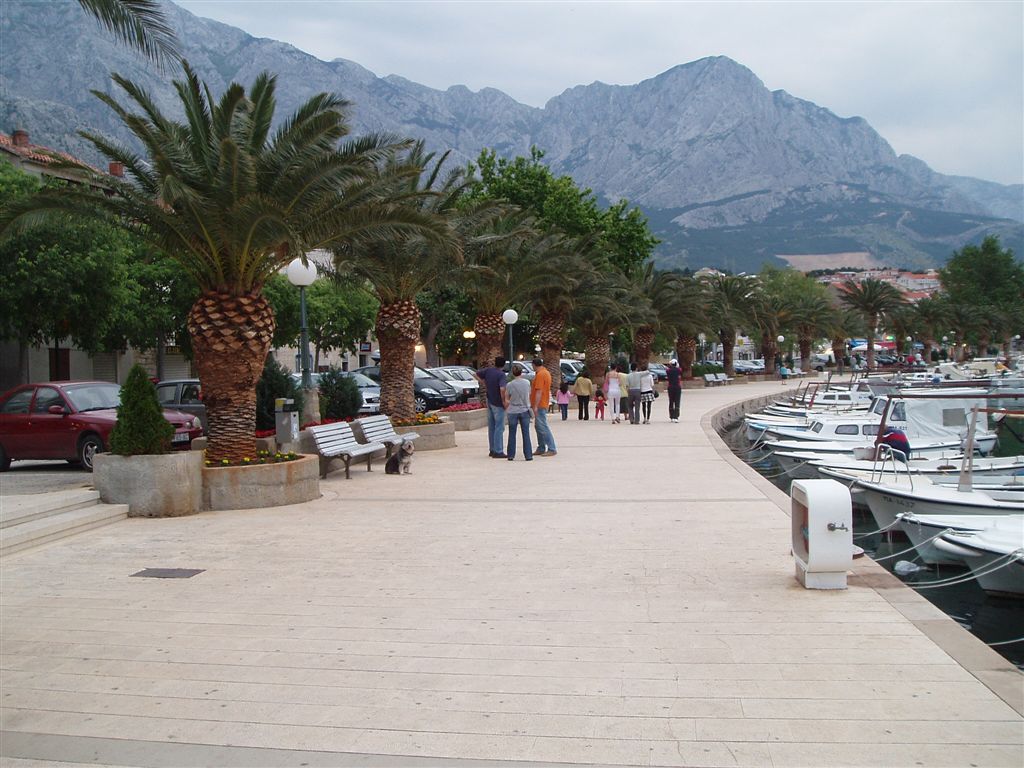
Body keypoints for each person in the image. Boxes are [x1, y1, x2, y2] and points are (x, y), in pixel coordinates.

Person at [476, 355, 508, 458]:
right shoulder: (501, 375)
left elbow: (475, 374)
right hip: (498, 402)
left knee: (492, 426)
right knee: (499, 427)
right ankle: (498, 450)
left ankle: (492, 449)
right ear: (503, 365)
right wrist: (504, 401)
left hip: (489, 399)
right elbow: (502, 389)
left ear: (495, 363)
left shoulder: (488, 371)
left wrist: (483, 382)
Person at [503, 363, 534, 461]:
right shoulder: (527, 383)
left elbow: (506, 398)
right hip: (524, 409)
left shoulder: (510, 385)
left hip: (513, 410)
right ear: (521, 372)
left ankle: (511, 455)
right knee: (526, 433)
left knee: (512, 433)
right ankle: (528, 455)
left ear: (512, 373)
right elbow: (529, 394)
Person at [530, 357, 557, 457]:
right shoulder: (545, 372)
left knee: (542, 426)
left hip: (540, 404)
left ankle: (551, 448)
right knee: (538, 426)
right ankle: (541, 447)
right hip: (542, 403)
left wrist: (535, 405)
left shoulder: (541, 374)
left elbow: (539, 391)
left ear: (534, 365)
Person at [665, 358, 682, 423]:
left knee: (671, 401)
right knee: (677, 401)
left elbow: (667, 369)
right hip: (677, 387)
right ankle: (676, 416)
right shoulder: (679, 370)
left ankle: (671, 416)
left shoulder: (668, 371)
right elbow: (680, 370)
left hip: (670, 387)